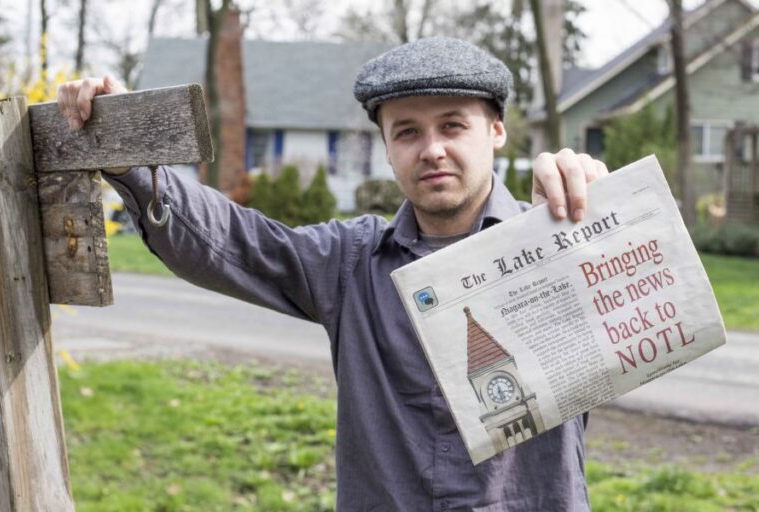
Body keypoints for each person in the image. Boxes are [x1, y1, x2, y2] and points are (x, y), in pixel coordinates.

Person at [59, 37, 607, 511]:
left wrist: (602, 212)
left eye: (452, 125)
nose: (432, 150)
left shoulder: (558, 238)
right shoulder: (351, 262)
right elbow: (231, 241)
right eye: (407, 132)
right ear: (387, 149)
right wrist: (128, 157)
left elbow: (643, 313)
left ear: (496, 132)